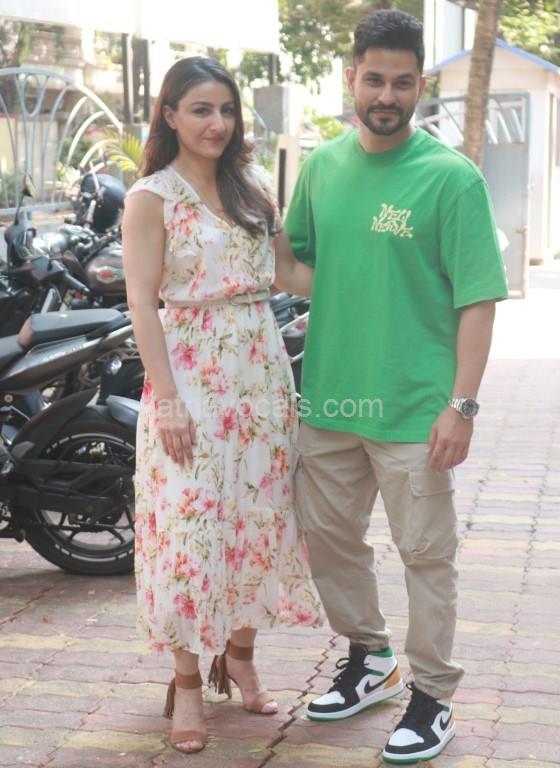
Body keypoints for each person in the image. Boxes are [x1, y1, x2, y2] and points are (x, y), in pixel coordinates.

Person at [274, 9, 508, 765]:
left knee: (426, 556)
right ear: (352, 78)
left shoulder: (451, 178)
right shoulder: (321, 168)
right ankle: (370, 656)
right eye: (374, 79)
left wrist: (461, 406)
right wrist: (248, 222)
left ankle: (433, 695)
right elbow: (301, 270)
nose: (386, 95)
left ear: (420, 85)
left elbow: (478, 300)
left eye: (402, 82)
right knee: (329, 541)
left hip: (415, 409)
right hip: (332, 398)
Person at [122, 56, 322, 756]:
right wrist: (168, 401)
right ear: (171, 115)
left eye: (227, 110)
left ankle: (240, 658)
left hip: (260, 375)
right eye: (202, 109)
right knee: (191, 531)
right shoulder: (151, 196)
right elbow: (141, 304)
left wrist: (372, 273)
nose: (217, 123)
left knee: (257, 520)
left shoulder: (253, 185)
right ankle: (185, 684)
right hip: (190, 375)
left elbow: (287, 272)